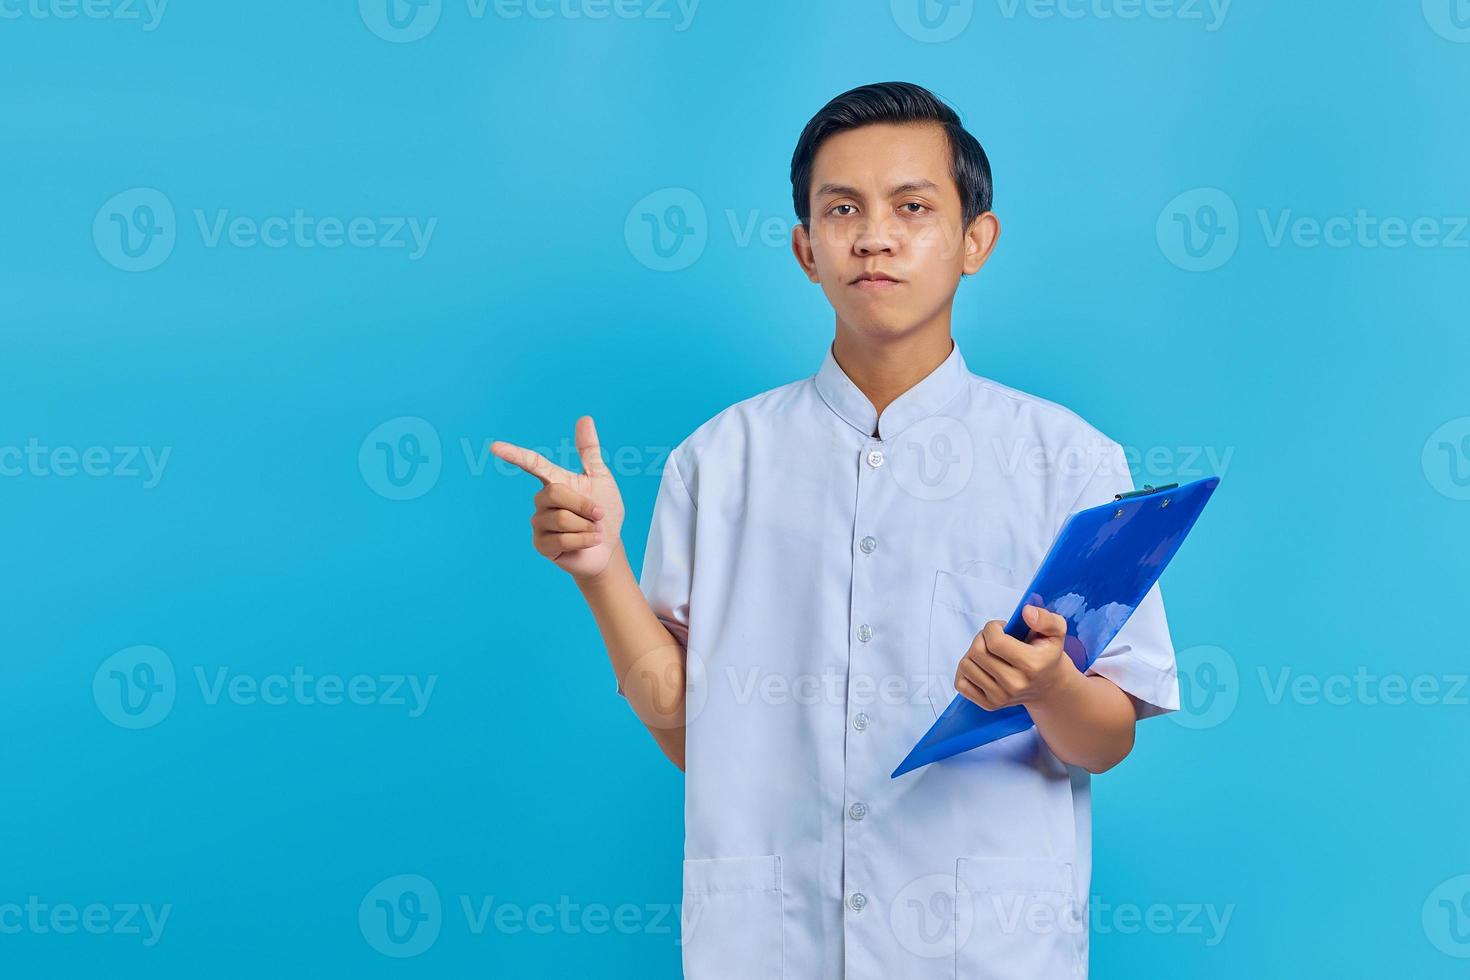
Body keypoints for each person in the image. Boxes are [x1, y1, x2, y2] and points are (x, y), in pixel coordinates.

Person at [492, 80, 1180, 980]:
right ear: (805, 247)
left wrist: (1050, 685)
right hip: (769, 950)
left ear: (976, 239)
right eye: (842, 208)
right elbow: (693, 735)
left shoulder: (1067, 462)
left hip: (984, 951)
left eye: (913, 206)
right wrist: (598, 567)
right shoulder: (719, 461)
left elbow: (1108, 739)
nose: (875, 235)